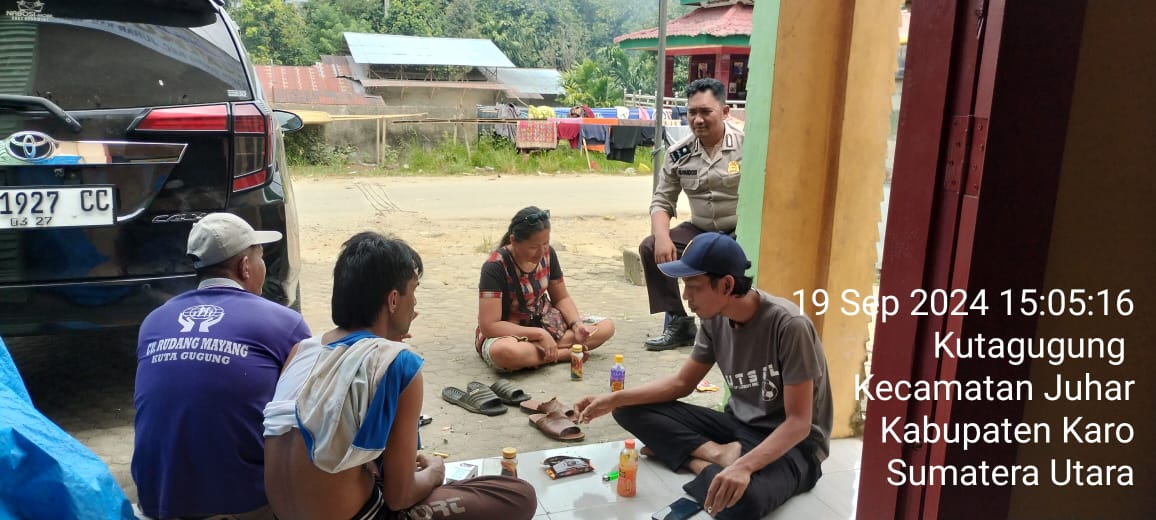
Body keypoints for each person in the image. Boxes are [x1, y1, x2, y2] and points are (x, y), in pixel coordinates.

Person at [263, 232, 536, 520]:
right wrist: (434, 472)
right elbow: (400, 496)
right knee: (518, 495)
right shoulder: (398, 362)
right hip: (366, 515)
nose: (415, 304)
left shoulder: (300, 351)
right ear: (393, 299)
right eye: (413, 292)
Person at [576, 233, 831, 519]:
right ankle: (716, 455)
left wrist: (744, 467)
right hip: (738, 428)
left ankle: (691, 460)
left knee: (740, 502)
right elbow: (682, 384)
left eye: (694, 286)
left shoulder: (789, 326)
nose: (686, 297)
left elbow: (798, 423)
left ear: (726, 285)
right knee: (626, 409)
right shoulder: (714, 319)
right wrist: (613, 398)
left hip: (794, 445)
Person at [133, 212, 311, 520]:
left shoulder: (154, 321)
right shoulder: (284, 323)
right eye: (260, 258)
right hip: (243, 506)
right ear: (245, 267)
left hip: (157, 501)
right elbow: (310, 418)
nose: (263, 267)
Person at [641, 77, 745, 351]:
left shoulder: (747, 145)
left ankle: (741, 324)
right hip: (700, 230)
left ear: (724, 112)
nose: (698, 119)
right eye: (692, 113)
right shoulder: (678, 154)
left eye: (706, 112)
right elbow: (662, 201)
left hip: (738, 228)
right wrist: (662, 236)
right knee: (651, 246)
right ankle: (679, 323)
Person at [475, 206, 616, 371]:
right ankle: (561, 354)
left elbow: (561, 298)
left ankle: (543, 353)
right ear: (513, 241)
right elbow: (489, 326)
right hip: (511, 335)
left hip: (548, 324)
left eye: (546, 244)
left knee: (606, 326)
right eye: (534, 247)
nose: (541, 252)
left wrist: (577, 325)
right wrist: (539, 335)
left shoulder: (548, 254)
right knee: (505, 353)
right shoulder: (494, 267)